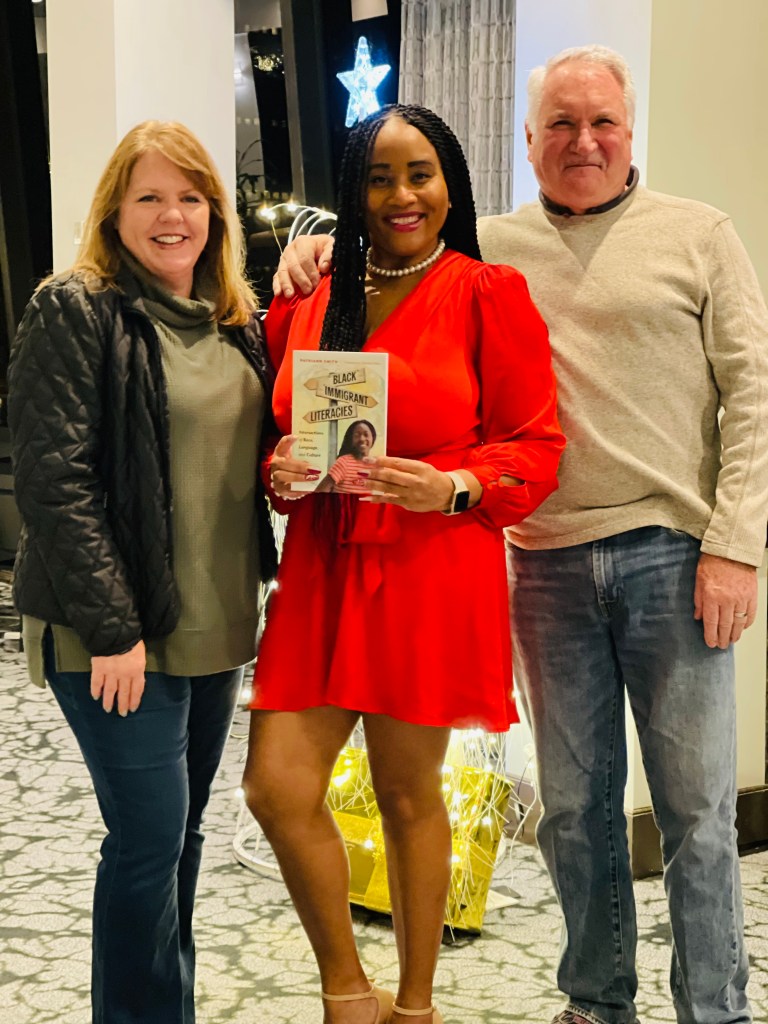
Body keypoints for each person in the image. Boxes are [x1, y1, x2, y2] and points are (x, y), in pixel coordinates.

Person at [272, 45, 768, 1024]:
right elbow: (394, 247)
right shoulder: (491, 247)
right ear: (529, 140)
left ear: (630, 131)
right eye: (561, 125)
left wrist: (736, 545)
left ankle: (714, 1009)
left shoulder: (698, 234)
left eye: (602, 122)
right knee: (574, 809)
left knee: (698, 812)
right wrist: (314, 249)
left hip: (673, 553)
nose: (583, 142)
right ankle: (597, 1001)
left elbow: (751, 397)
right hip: (541, 558)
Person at [241, 103, 564, 1024]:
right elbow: (275, 434)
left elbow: (536, 445)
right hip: (322, 565)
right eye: (378, 178)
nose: (400, 195)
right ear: (353, 192)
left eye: (419, 173)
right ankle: (348, 990)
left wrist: (453, 486)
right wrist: (281, 470)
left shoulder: (486, 291)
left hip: (430, 564)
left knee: (407, 791)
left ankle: (416, 1006)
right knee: (277, 787)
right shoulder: (310, 297)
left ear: (450, 183)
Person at [8, 120, 277, 1024]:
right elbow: (56, 480)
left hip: (214, 621)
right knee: (148, 839)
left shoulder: (235, 321)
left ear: (216, 212)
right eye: (150, 197)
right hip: (113, 634)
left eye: (191, 197)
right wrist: (113, 628)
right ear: (114, 211)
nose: (173, 216)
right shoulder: (75, 308)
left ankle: (169, 1009)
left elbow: (249, 450)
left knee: (180, 837)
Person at [316, 419, 378, 493]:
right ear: (351, 439)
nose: (362, 439)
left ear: (373, 438)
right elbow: (319, 492)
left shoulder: (375, 466)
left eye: (366, 434)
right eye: (357, 435)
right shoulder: (344, 462)